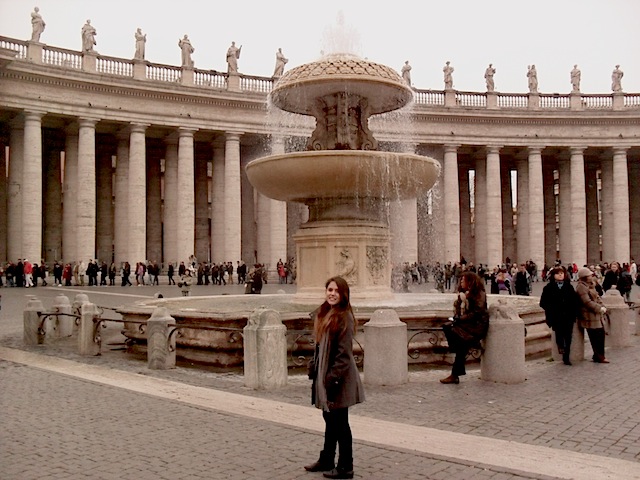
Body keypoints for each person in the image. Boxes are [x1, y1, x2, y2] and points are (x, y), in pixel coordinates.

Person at [305, 276, 364, 479]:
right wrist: (314, 365)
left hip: (338, 378)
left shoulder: (343, 317)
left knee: (340, 423)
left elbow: (343, 355)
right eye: (329, 289)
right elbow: (320, 346)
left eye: (336, 291)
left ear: (343, 294)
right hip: (325, 374)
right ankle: (327, 458)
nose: (332, 293)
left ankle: (346, 466)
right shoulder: (325, 313)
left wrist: (331, 379)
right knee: (329, 418)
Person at [440, 271, 489, 384]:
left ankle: (454, 374)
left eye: (463, 280)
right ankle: (455, 374)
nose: (461, 282)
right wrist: (459, 302)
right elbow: (459, 313)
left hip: (476, 326)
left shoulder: (478, 294)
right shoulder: (465, 294)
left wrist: (459, 319)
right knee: (448, 327)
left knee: (459, 344)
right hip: (469, 324)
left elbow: (477, 312)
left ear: (470, 282)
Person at [539, 267, 577, 365]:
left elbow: (575, 301)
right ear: (553, 275)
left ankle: (566, 357)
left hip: (568, 316)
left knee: (568, 337)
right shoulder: (548, 288)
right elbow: (542, 303)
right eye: (558, 273)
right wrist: (551, 309)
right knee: (559, 334)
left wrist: (573, 313)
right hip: (556, 316)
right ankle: (560, 347)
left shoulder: (569, 287)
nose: (560, 275)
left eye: (562, 273)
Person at [575, 267, 609, 363]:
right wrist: (599, 308)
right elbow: (586, 301)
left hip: (596, 314)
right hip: (588, 315)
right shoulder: (581, 287)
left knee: (601, 334)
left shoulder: (591, 285)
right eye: (589, 275)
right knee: (595, 336)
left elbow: (597, 297)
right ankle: (599, 356)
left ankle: (598, 355)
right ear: (584, 277)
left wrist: (602, 305)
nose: (591, 276)